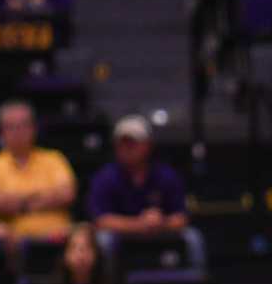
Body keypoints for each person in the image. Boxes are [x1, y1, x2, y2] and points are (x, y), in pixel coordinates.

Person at [86, 113, 206, 269]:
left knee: (193, 237)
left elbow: (181, 217)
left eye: (133, 143)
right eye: (122, 143)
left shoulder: (166, 175)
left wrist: (162, 222)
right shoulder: (105, 177)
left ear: (148, 145)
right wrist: (139, 224)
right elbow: (101, 220)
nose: (127, 148)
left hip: (160, 230)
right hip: (121, 234)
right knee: (103, 240)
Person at [0, 99, 76, 242]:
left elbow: (67, 194)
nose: (18, 131)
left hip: (57, 235)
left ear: (33, 128)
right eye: (11, 127)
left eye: (24, 125)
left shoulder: (54, 159)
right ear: (2, 132)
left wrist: (18, 203)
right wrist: (42, 198)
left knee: (81, 233)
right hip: (13, 238)